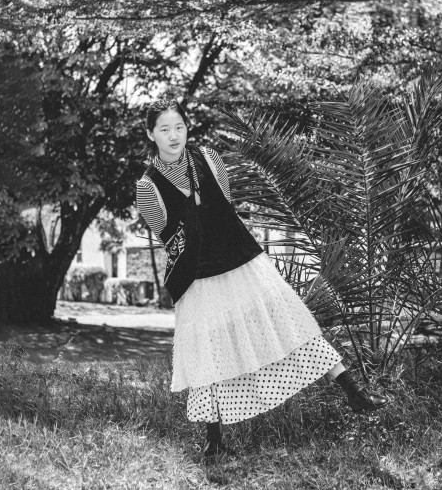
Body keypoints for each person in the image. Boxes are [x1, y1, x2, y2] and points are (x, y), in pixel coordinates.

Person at [136, 99, 387, 460]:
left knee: (292, 319)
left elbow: (226, 208)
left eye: (179, 127)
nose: (173, 135)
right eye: (164, 129)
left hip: (243, 260)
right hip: (199, 277)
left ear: (187, 128)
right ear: (151, 134)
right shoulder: (148, 186)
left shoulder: (208, 158)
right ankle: (214, 439)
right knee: (211, 353)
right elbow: (169, 238)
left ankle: (352, 390)